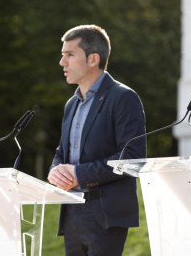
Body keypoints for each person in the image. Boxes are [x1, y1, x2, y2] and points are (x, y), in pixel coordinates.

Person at [47, 24, 146, 256]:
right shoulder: (71, 104)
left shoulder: (124, 98)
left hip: (104, 215)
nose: (63, 62)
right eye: (63, 55)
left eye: (70, 55)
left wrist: (78, 174)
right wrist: (55, 170)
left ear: (93, 59)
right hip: (71, 211)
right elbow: (63, 152)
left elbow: (131, 158)